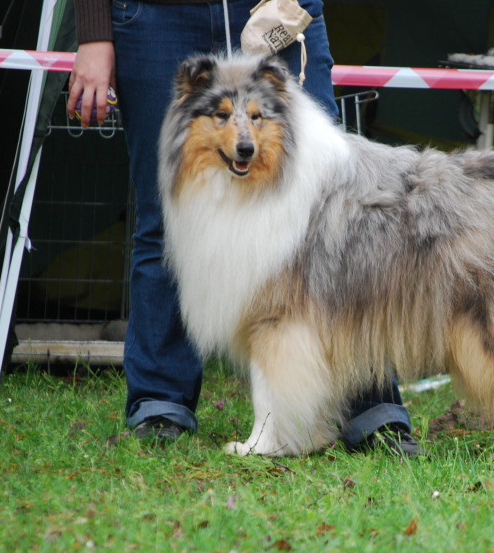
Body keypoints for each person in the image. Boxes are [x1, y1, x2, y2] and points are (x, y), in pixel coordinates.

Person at [68, 0, 420, 455]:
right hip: (153, 18)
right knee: (165, 219)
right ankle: (161, 399)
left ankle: (369, 403)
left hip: (280, 9)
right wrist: (94, 34)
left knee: (335, 211)